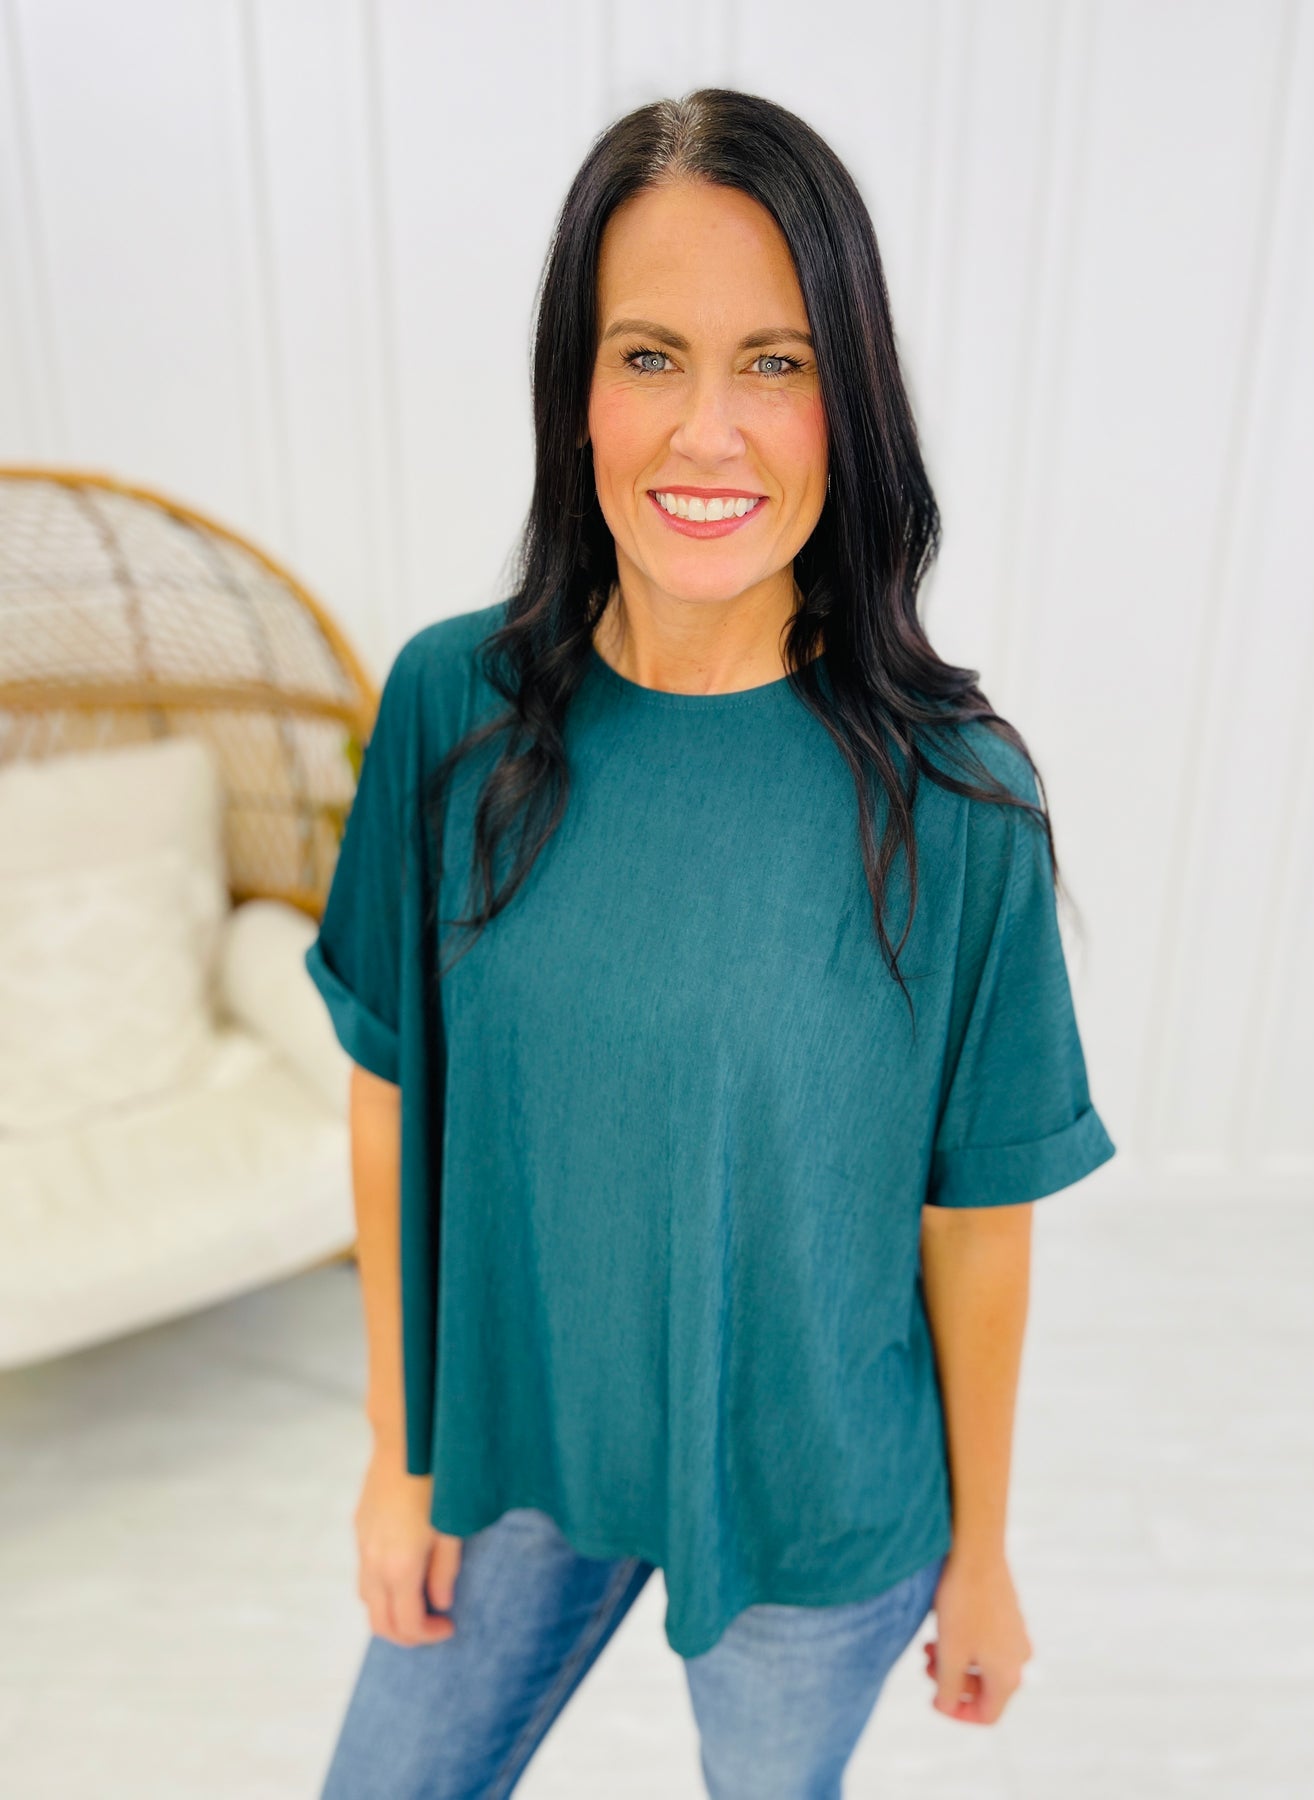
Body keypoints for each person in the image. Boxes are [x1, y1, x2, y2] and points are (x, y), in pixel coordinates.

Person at [304, 86, 1116, 1800]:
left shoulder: (956, 796)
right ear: (576, 396)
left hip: (816, 1499)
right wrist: (398, 1453)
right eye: (650, 356)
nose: (706, 433)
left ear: (850, 404)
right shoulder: (451, 708)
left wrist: (980, 1554)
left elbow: (976, 1224)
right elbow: (390, 1099)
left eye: (775, 362)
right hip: (514, 1444)